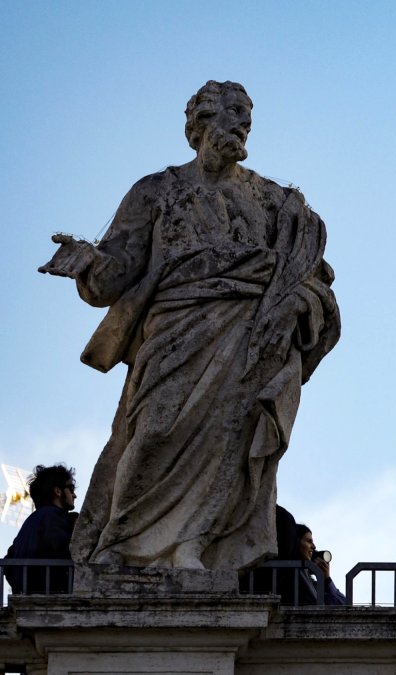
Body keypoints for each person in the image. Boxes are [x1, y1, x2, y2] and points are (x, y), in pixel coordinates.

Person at [39, 81, 340, 571]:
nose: (242, 125)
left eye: (247, 116)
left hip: (246, 337)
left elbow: (308, 272)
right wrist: (87, 262)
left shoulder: (272, 200)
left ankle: (191, 547)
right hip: (173, 333)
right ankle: (119, 543)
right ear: (198, 125)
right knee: (154, 430)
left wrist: (298, 303)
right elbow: (117, 272)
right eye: (232, 114)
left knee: (228, 440)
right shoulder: (156, 191)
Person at [3, 464, 77, 593]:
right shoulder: (54, 516)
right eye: (71, 488)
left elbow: (8, 564)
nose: (74, 495)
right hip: (50, 597)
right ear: (58, 491)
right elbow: (62, 548)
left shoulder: (29, 523)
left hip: (26, 597)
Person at [296, 523, 347, 606]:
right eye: (309, 541)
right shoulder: (292, 573)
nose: (314, 546)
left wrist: (326, 580)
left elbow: (344, 606)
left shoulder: (311, 582)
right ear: (296, 542)